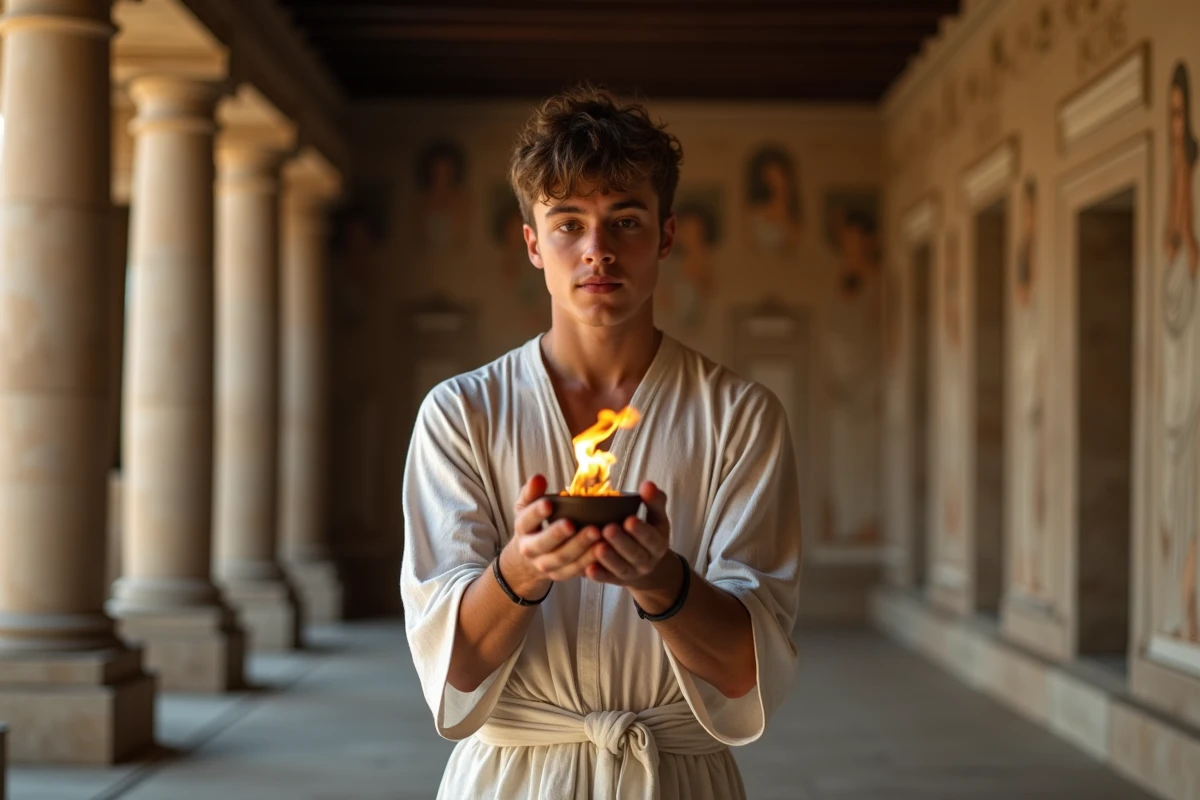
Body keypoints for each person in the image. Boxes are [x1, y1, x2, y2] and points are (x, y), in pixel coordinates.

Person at [401, 86, 804, 799]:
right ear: (532, 243)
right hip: (512, 778)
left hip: (676, 776)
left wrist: (661, 580)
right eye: (568, 224)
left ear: (666, 236)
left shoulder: (740, 417)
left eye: (625, 221)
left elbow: (748, 673)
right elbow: (453, 671)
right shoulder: (462, 414)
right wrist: (523, 568)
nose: (598, 251)